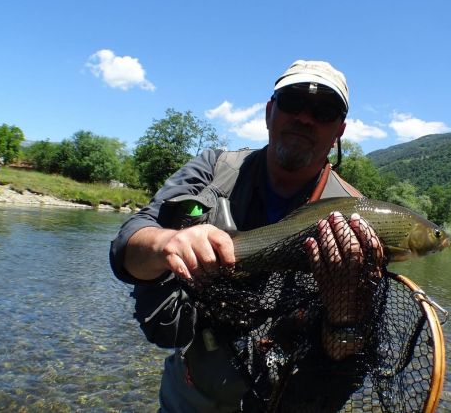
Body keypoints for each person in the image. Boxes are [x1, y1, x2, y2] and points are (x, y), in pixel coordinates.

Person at [109, 60, 385, 412]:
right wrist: (165, 244)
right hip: (188, 395)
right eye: (292, 102)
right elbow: (126, 245)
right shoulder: (213, 167)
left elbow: (350, 362)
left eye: (324, 111)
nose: (305, 117)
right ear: (270, 111)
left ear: (339, 131)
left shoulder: (358, 220)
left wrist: (346, 309)